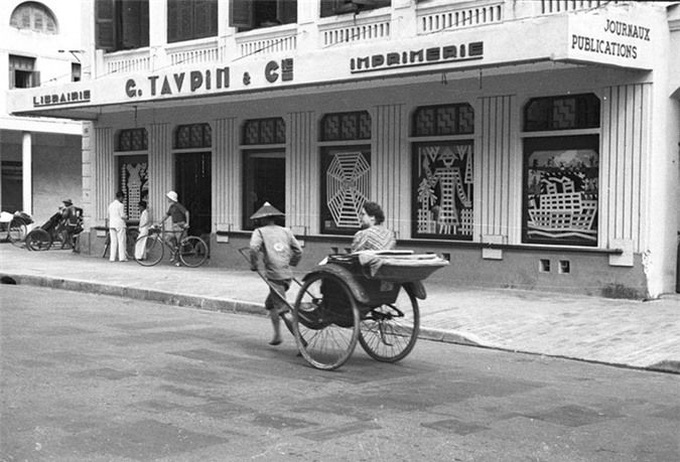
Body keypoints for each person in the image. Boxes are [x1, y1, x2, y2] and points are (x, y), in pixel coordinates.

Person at [249, 202, 303, 346]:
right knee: (270, 304)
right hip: (287, 275)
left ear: (261, 219)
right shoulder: (286, 231)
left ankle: (300, 341)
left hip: (274, 277)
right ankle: (277, 335)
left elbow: (254, 248)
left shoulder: (259, 232)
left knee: (283, 310)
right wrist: (290, 263)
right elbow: (299, 250)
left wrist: (254, 264)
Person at [160, 190, 189, 265]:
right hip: (174, 225)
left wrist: (187, 223)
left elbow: (186, 212)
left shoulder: (178, 205)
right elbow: (166, 215)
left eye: (169, 198)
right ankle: (174, 251)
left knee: (179, 243)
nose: (168, 199)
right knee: (166, 239)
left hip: (180, 225)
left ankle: (178, 261)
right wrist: (159, 222)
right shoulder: (171, 207)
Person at [107, 191, 128, 262]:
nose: (123, 199)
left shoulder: (110, 205)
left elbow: (109, 215)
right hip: (119, 224)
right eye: (123, 198)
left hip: (112, 224)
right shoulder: (120, 205)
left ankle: (112, 257)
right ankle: (122, 257)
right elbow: (122, 215)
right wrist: (126, 217)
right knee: (121, 241)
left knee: (113, 241)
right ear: (121, 197)